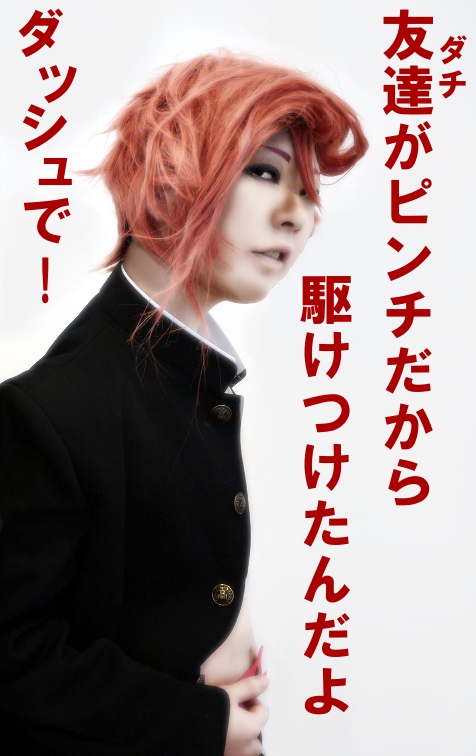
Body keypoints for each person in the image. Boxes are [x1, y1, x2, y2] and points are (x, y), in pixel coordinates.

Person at [0, 52, 367, 755]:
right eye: (266, 173)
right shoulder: (53, 410)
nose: (298, 215)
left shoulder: (189, 375)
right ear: (169, 177)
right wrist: (201, 724)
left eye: (306, 189)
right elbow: (14, 657)